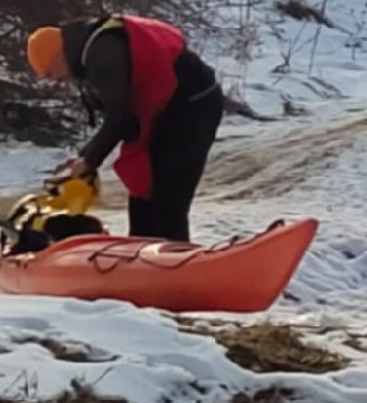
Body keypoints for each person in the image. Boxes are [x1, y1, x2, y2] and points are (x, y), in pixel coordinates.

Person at [25, 15, 223, 242]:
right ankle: (142, 258)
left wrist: (90, 160)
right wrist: (85, 156)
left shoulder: (103, 55)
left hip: (194, 107)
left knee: (168, 199)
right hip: (165, 110)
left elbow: (120, 118)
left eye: (51, 73)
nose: (56, 81)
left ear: (59, 55)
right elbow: (121, 116)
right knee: (143, 191)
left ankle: (175, 262)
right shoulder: (87, 50)